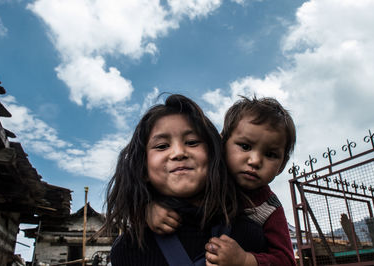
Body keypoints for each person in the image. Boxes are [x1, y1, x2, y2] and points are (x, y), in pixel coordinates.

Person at [105, 94, 267, 266]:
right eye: (162, 146)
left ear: (214, 155)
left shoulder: (249, 235)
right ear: (143, 168)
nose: (178, 152)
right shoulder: (128, 249)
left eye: (192, 142)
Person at [147, 96, 297, 266]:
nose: (255, 161)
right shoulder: (205, 181)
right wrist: (150, 209)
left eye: (270, 154)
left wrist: (245, 260)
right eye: (245, 146)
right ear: (222, 143)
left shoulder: (269, 207)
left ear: (282, 165)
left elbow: (286, 260)